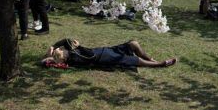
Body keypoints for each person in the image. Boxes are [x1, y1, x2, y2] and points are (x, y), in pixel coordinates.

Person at [41, 38, 177, 68]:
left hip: (108, 49)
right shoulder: (75, 58)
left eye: (61, 49)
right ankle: (160, 64)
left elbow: (66, 40)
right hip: (106, 58)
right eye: (61, 51)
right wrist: (80, 46)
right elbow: (90, 56)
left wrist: (52, 46)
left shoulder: (70, 52)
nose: (62, 49)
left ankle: (151, 59)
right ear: (63, 58)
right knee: (135, 61)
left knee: (133, 44)